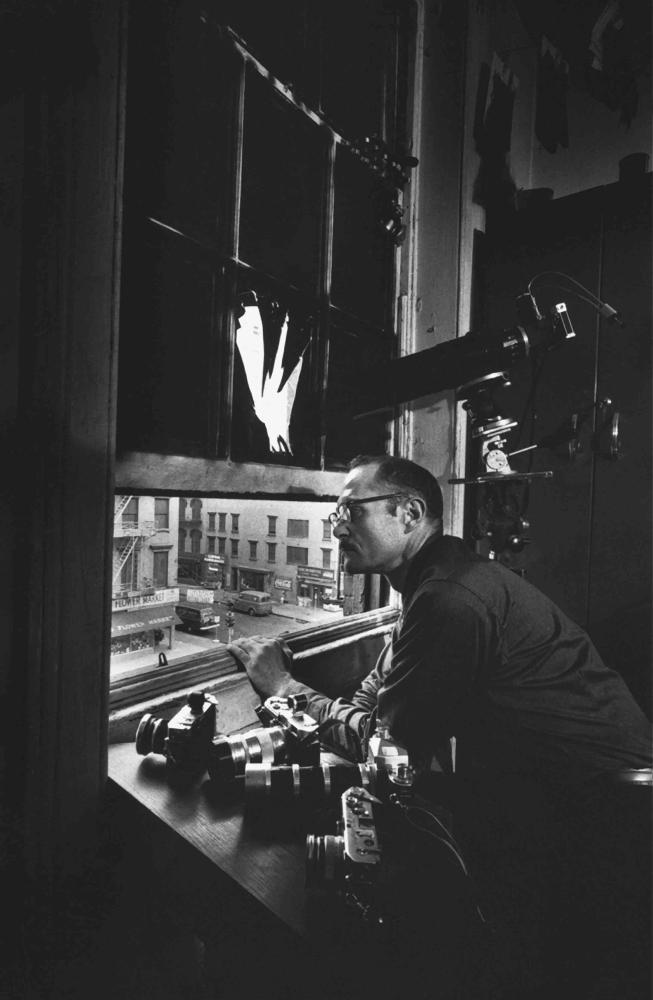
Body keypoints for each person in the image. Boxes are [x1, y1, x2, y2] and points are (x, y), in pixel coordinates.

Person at [229, 455, 652, 998]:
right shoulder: (432, 586)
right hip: (562, 795)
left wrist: (285, 689)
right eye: (334, 513)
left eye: (350, 511)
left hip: (603, 814)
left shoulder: (450, 598)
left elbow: (387, 749)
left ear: (408, 513)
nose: (336, 527)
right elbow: (376, 695)